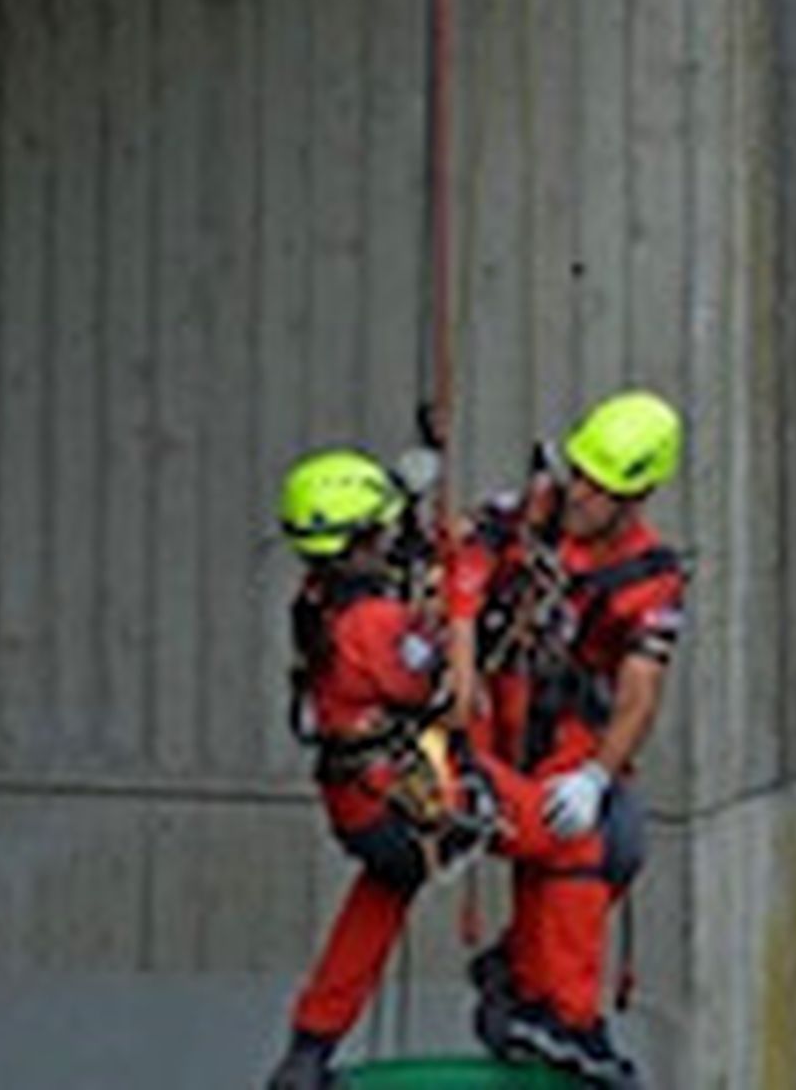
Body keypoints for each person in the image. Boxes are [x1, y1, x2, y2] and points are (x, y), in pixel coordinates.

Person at [449, 392, 686, 1089]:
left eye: (598, 485)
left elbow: (640, 691)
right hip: (489, 704)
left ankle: (524, 978)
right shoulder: (531, 508)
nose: (579, 491)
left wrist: (596, 776)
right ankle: (560, 1009)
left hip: (563, 719)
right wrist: (463, 657)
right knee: (573, 846)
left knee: (617, 836)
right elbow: (465, 558)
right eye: (578, 472)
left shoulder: (651, 576)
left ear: (636, 492)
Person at [264, 445, 496, 1090]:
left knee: (379, 902)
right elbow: (449, 689)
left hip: (363, 806)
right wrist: (465, 592)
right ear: (357, 541)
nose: (386, 539)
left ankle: (312, 1041)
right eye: (379, 530)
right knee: (574, 834)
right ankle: (533, 990)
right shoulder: (371, 624)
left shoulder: (320, 602)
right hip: (402, 808)